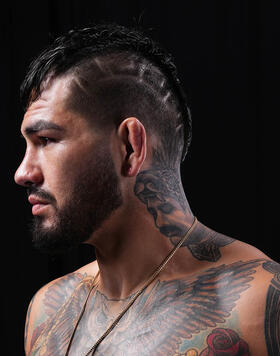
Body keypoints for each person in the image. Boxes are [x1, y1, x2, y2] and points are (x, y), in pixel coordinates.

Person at [14, 21, 279, 356]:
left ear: (129, 147)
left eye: (47, 140)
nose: (22, 173)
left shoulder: (259, 304)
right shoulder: (47, 311)